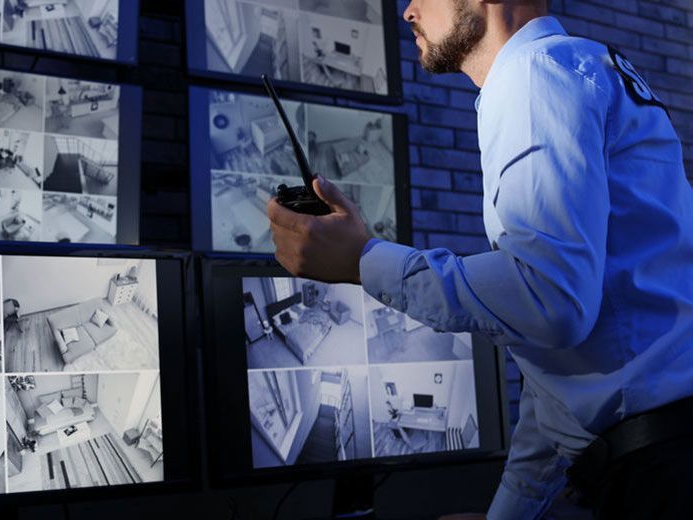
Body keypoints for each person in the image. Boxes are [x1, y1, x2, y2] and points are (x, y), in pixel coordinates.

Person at [266, 1, 693, 519]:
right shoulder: (582, 67)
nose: (407, 11)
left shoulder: (532, 76)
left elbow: (549, 301)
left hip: (660, 471)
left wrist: (364, 260)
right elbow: (558, 376)